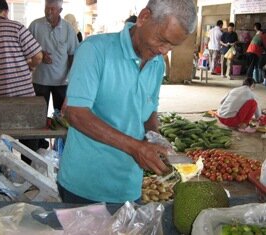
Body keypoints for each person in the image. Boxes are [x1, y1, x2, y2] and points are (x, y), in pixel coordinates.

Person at [57, 0, 197, 203]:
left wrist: (154, 137)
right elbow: (75, 113)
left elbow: (148, 110)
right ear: (144, 17)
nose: (164, 51)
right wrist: (136, 148)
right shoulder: (95, 50)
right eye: (162, 40)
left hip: (129, 187)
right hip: (85, 186)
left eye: (172, 46)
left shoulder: (157, 64)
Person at [0, 0, 43, 161]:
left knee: (4, 142)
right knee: (29, 140)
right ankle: (30, 179)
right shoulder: (16, 28)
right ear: (6, 11)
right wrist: (29, 67)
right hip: (24, 97)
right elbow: (38, 56)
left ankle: (4, 178)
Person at [29, 0, 79, 113]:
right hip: (40, 80)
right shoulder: (35, 25)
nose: (49, 12)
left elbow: (73, 55)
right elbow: (26, 49)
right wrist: (40, 53)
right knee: (38, 115)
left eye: (52, 9)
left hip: (61, 82)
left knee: (61, 116)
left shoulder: (68, 29)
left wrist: (71, 78)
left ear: (60, 10)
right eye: (46, 8)